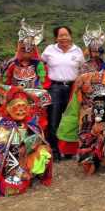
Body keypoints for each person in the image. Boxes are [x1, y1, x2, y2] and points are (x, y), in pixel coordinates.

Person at [0, 86, 52, 198]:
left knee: (45, 151)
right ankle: (16, 175)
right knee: (11, 187)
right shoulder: (4, 125)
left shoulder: (30, 122)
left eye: (24, 107)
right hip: (10, 164)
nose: (21, 110)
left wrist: (34, 144)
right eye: (17, 107)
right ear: (9, 108)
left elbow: (39, 139)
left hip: (25, 158)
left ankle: (31, 173)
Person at [56, 25, 105, 157]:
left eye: (98, 51)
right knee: (86, 125)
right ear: (89, 51)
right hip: (87, 100)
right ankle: (85, 150)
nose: (96, 54)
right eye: (93, 51)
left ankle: (102, 150)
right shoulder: (85, 65)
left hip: (103, 98)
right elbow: (81, 85)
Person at [41, 26, 84, 161]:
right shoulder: (49, 50)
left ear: (70, 36)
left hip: (73, 88)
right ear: (56, 38)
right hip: (55, 88)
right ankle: (55, 150)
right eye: (61, 35)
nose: (64, 38)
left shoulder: (77, 51)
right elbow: (39, 65)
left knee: (70, 119)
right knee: (54, 119)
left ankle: (69, 150)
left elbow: (83, 69)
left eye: (66, 35)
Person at [1, 19, 48, 90]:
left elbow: (42, 81)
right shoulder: (12, 64)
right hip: (15, 97)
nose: (27, 52)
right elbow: (6, 81)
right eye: (23, 49)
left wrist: (39, 87)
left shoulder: (39, 65)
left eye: (30, 50)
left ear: (33, 50)